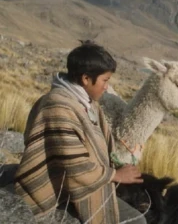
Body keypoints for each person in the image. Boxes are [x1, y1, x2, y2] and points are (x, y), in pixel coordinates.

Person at [14, 40, 146, 224]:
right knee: (136, 221)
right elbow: (74, 167)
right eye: (105, 80)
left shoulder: (87, 103)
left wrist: (123, 158)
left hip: (83, 180)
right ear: (85, 79)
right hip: (59, 187)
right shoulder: (58, 107)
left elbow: (99, 146)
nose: (107, 87)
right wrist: (116, 175)